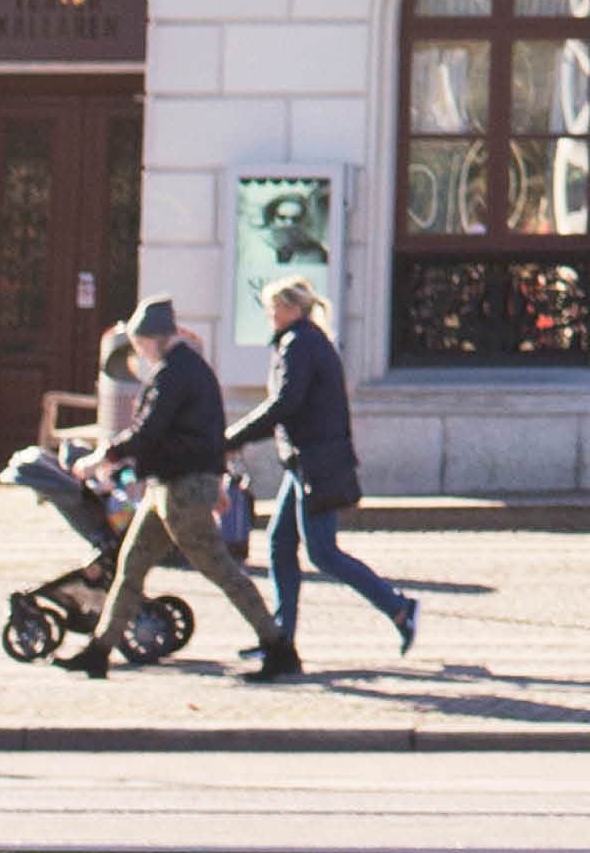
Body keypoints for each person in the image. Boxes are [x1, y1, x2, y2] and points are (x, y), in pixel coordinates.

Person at [71, 298, 297, 682]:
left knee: (220, 569)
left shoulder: (175, 374)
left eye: (139, 343)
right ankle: (99, 650)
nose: (138, 351)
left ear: (152, 339)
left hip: (183, 489)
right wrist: (219, 478)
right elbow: (210, 431)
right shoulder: (191, 371)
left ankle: (278, 647)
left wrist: (103, 457)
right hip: (171, 486)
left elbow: (150, 430)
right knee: (131, 566)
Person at [226, 276, 417, 656]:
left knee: (322, 552)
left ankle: (398, 607)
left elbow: (286, 403)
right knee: (281, 544)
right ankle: (281, 638)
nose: (269, 315)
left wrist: (233, 436)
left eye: (273, 307)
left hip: (316, 463)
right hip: (306, 462)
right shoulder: (304, 341)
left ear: (292, 309)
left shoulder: (300, 344)